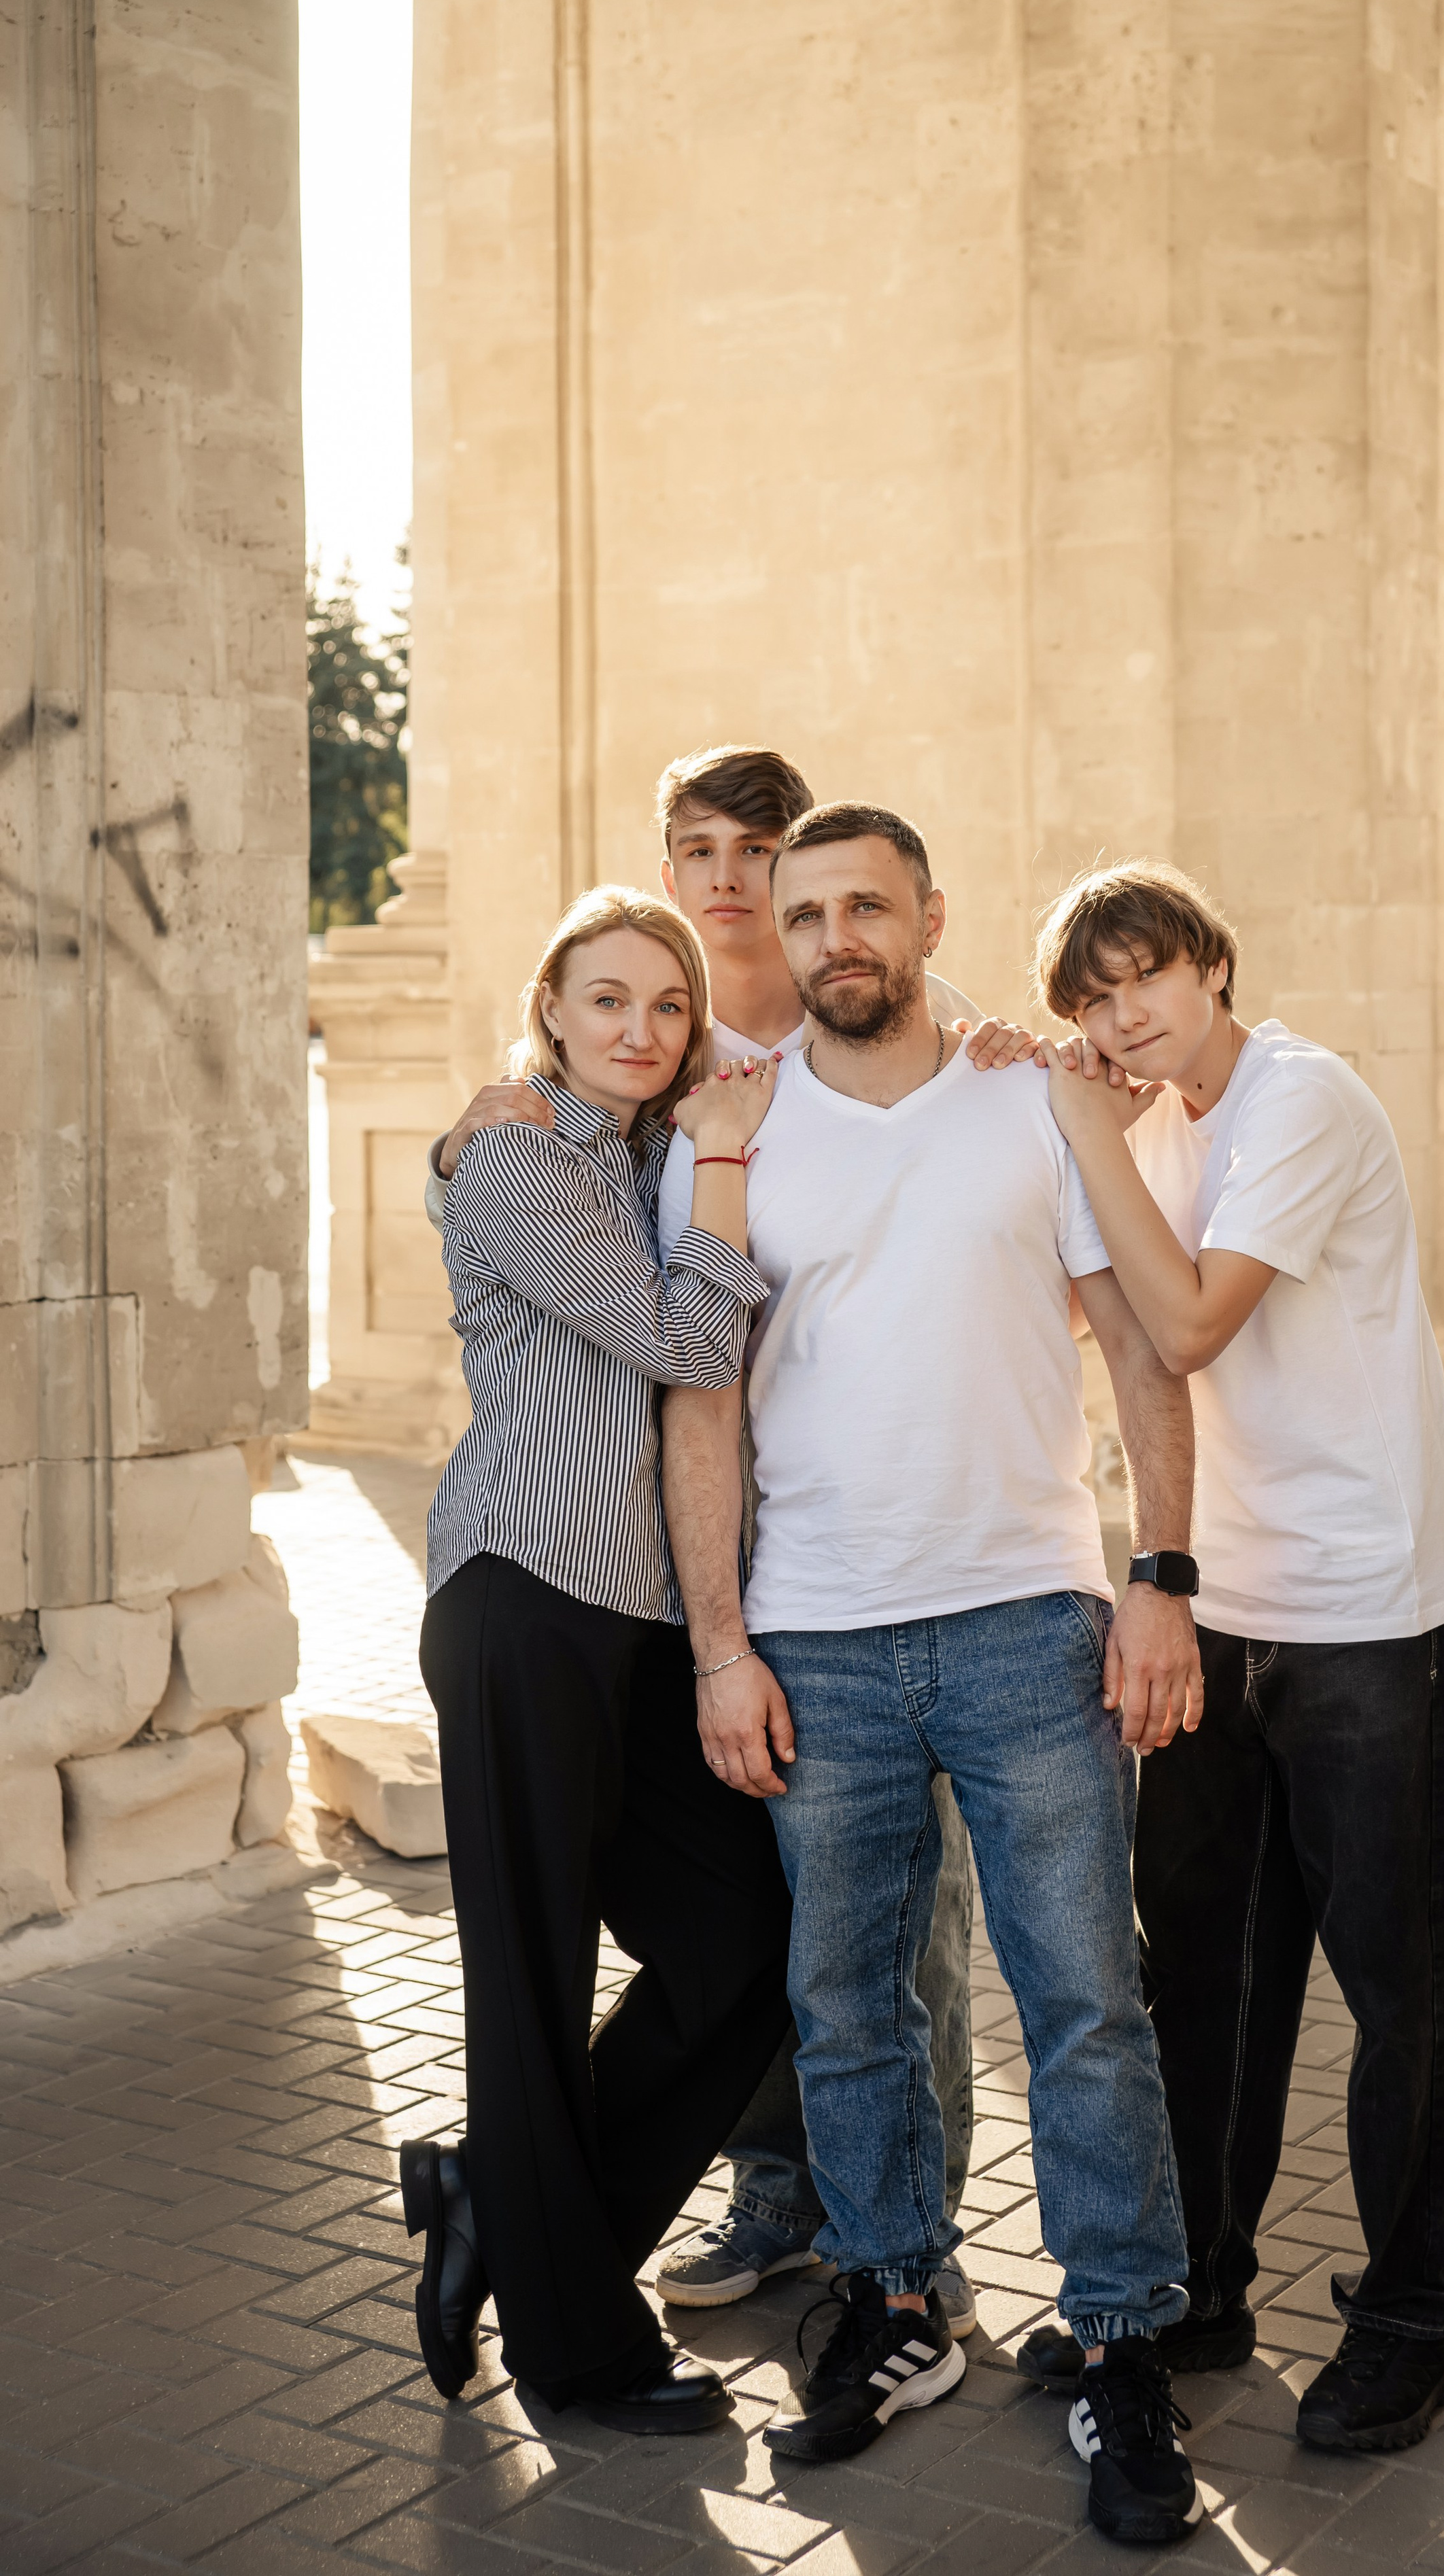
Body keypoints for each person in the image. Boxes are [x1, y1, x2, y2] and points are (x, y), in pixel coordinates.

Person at [422, 745, 1032, 2337]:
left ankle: (861, 2227)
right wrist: (547, 1129)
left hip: (820, 1574)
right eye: (693, 845)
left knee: (833, 1936)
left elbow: (974, 1059)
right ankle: (624, 2270)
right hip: (558, 1593)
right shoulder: (602, 1126)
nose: (725, 875)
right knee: (589, 1966)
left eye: (750, 848)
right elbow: (673, 1339)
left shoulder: (839, 1032)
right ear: (556, 1006)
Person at [662, 804, 1205, 2549]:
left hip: (1025, 1622)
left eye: (864, 905)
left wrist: (1157, 1582)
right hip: (814, 1629)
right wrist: (722, 1646)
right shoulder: (733, 1135)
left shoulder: (1030, 1097)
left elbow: (1133, 1346)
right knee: (849, 2006)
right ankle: (899, 2306)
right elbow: (705, 1402)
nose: (831, 933)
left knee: (1083, 2003)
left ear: (924, 918)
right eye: (804, 908)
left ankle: (1122, 2337)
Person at [1018, 859, 1444, 2458]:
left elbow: (1196, 1320)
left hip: (1366, 1613)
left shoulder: (1302, 1098)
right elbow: (1084, 1311)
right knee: (1200, 1970)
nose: (1121, 1016)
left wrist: (1079, 1124)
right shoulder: (1144, 1119)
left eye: (1144, 978)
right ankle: (1199, 2284)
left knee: (1395, 1987)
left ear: (1211, 964)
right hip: (1219, 1609)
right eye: (1091, 999)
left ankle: (1416, 2323)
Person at [405, 884, 794, 2437]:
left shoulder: (630, 1154)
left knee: (743, 1942)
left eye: (668, 1006)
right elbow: (692, 1346)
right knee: (531, 1975)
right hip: (517, 1600)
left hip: (631, 1628)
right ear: (550, 1011)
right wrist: (719, 1155)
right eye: (608, 1000)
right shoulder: (512, 1155)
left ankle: (499, 2197)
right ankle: (575, 2351)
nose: (641, 1029)